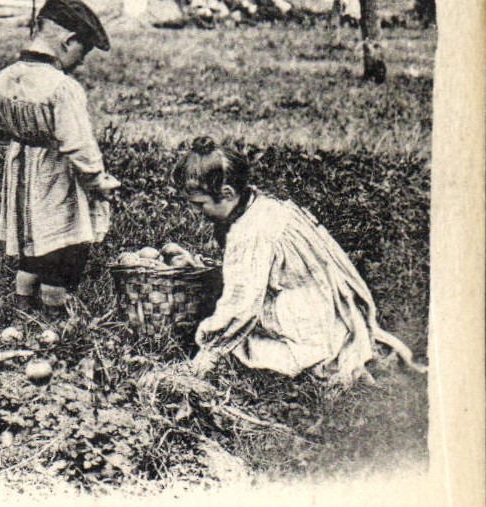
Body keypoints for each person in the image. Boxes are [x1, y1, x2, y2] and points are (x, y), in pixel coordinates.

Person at [172, 138, 422, 383]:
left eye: (199, 204)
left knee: (243, 345)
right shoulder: (265, 206)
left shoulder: (250, 233)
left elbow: (241, 304)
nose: (196, 212)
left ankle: (309, 353)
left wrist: (209, 351)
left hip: (306, 326)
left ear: (226, 193)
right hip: (325, 307)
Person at [0, 0, 121, 321]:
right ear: (67, 41)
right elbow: (78, 144)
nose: (82, 61)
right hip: (56, 171)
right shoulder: (63, 87)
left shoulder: (4, 78)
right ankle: (55, 319)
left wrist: (24, 134)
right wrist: (98, 180)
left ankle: (23, 314)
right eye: (82, 51)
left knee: (31, 241)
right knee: (64, 242)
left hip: (21, 168)